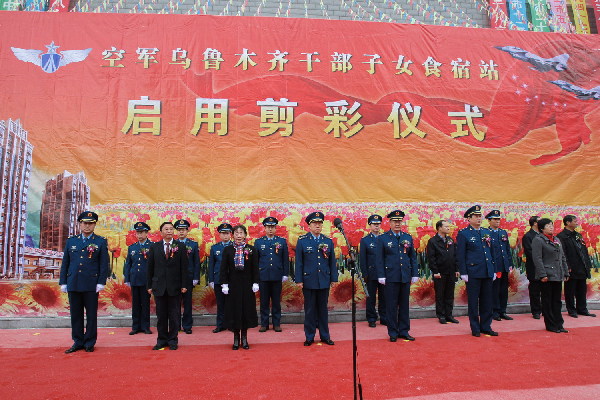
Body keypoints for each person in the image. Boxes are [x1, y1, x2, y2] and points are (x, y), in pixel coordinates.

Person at [59, 211, 109, 353]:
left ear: (94, 225)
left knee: (91, 314)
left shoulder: (100, 241)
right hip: (73, 282)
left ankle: (90, 342)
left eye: (90, 223)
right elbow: (66, 263)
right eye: (85, 223)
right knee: (76, 314)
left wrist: (101, 282)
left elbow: (104, 264)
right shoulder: (71, 241)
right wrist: (63, 281)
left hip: (91, 283)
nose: (87, 226)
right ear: (80, 224)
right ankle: (78, 341)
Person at [295, 211, 338, 346]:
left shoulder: (327, 241)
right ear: (309, 226)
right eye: (315, 223)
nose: (318, 226)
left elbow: (332, 262)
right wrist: (299, 279)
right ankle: (310, 336)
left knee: (323, 310)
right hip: (309, 280)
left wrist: (333, 278)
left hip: (324, 279)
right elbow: (299, 262)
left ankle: (325, 336)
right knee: (310, 310)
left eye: (320, 223)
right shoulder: (302, 241)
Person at [376, 210, 419, 342]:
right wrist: (381, 275)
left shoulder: (407, 237)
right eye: (395, 221)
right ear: (389, 222)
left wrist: (414, 273)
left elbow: (412, 257)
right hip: (390, 276)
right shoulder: (382, 238)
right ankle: (393, 332)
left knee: (404, 305)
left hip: (404, 276)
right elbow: (379, 259)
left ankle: (404, 331)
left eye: (399, 221)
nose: (397, 223)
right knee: (391, 305)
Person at [456, 205, 498, 337]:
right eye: (476, 216)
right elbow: (460, 254)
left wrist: (494, 270)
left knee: (487, 301)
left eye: (480, 216)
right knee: (473, 302)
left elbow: (492, 253)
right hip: (473, 272)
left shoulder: (486, 232)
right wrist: (463, 272)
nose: (479, 218)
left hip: (487, 271)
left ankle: (486, 326)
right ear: (469, 218)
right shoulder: (464, 233)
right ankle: (475, 327)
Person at [147, 222, 188, 350]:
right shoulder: (155, 247)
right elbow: (150, 268)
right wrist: (149, 286)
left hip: (175, 286)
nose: (169, 231)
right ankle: (161, 340)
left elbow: (184, 268)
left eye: (171, 229)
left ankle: (173, 340)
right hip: (159, 287)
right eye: (166, 229)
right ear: (161, 232)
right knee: (161, 316)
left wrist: (184, 284)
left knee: (174, 316)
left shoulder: (180, 246)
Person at [220, 225, 259, 350]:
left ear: (245, 235)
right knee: (234, 311)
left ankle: (245, 338)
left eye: (241, 233)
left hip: (247, 285)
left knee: (246, 310)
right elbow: (223, 269)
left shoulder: (251, 249)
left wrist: (256, 282)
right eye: (236, 233)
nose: (238, 235)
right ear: (233, 235)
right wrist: (224, 284)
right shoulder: (228, 250)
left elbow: (255, 268)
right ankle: (236, 338)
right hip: (233, 285)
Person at [532, 218, 570, 333]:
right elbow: (537, 259)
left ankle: (559, 324)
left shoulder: (556, 239)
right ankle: (551, 325)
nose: (551, 227)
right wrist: (542, 274)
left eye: (552, 225)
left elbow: (562, 257)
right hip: (547, 275)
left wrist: (565, 271)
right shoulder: (538, 240)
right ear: (542, 228)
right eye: (548, 225)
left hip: (557, 274)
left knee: (557, 301)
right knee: (547, 301)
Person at [557, 215, 596, 318]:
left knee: (582, 290)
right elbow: (563, 253)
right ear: (568, 223)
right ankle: (571, 310)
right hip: (571, 267)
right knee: (570, 290)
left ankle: (582, 309)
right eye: (575, 221)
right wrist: (567, 267)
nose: (577, 222)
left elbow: (583, 250)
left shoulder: (578, 235)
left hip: (581, 267)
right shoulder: (561, 236)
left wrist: (587, 264)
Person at [255, 217, 289, 332]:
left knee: (276, 301)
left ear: (275, 228)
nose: (270, 229)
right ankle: (264, 324)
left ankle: (276, 323)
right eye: (268, 227)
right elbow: (256, 261)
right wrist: (256, 277)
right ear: (264, 228)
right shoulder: (259, 242)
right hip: (263, 276)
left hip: (276, 275)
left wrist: (285, 274)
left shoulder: (281, 241)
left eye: (272, 227)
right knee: (264, 301)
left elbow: (285, 259)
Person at [426, 219, 460, 324]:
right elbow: (431, 258)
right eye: (446, 226)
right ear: (439, 228)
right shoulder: (433, 241)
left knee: (450, 294)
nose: (448, 228)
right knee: (440, 294)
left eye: (449, 226)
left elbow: (455, 256)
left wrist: (457, 269)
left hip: (451, 272)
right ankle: (441, 315)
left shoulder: (450, 240)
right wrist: (435, 271)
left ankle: (449, 315)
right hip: (439, 273)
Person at [123, 222, 153, 335]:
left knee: (145, 304)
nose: (139, 235)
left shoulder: (152, 246)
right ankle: (135, 327)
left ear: (146, 233)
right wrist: (127, 279)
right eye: (138, 233)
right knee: (135, 304)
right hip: (134, 279)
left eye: (142, 232)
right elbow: (128, 264)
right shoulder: (132, 247)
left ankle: (145, 326)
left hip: (146, 280)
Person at [359, 214, 387, 328]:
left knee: (384, 297)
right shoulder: (365, 240)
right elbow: (362, 259)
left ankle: (384, 317)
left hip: (384, 273)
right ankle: (371, 318)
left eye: (378, 224)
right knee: (370, 297)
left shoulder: (385, 238)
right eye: (374, 224)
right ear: (369, 226)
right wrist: (365, 274)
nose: (376, 226)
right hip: (371, 273)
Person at [486, 210, 514, 321]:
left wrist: (510, 263)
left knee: (503, 290)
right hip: (494, 267)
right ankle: (495, 311)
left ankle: (503, 311)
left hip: (504, 265)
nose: (497, 221)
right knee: (494, 290)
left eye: (498, 219)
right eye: (494, 219)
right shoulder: (486, 233)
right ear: (489, 221)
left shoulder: (503, 232)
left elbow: (507, 250)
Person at [174, 219, 201, 334]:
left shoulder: (193, 244)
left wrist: (196, 277)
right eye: (179, 230)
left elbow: (196, 262)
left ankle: (187, 325)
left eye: (183, 230)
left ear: (187, 231)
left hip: (188, 277)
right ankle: (176, 325)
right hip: (175, 278)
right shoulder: (172, 244)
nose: (181, 232)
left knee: (187, 303)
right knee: (175, 303)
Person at [208, 223, 234, 333]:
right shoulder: (215, 248)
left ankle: (232, 325)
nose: (225, 236)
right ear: (219, 235)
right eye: (223, 234)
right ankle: (220, 325)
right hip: (218, 279)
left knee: (232, 303)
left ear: (230, 234)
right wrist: (211, 280)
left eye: (227, 233)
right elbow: (211, 265)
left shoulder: (235, 246)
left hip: (232, 280)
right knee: (220, 304)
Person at [522, 216, 542, 319]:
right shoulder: (528, 236)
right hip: (534, 267)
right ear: (534, 223)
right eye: (539, 221)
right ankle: (536, 311)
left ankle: (545, 309)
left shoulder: (544, 234)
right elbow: (530, 252)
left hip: (545, 267)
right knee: (535, 290)